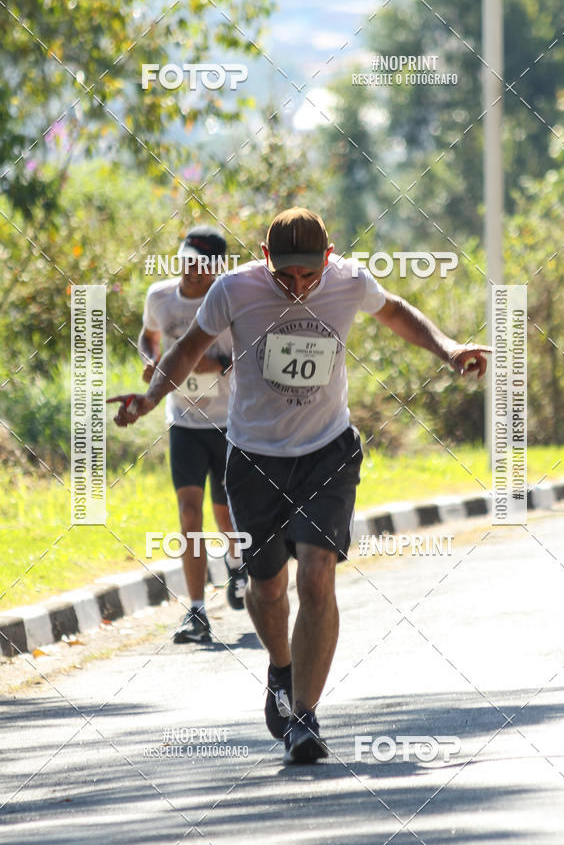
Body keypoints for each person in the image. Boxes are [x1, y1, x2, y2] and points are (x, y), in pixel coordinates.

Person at [110, 207, 490, 763]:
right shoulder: (234, 290)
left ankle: (305, 717)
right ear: (265, 257)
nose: (296, 286)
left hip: (326, 451)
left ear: (328, 259)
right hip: (254, 457)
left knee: (316, 577)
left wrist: (449, 348)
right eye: (284, 275)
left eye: (308, 275)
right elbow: (187, 348)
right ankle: (281, 670)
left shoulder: (349, 281)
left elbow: (396, 312)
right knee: (267, 589)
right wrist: (149, 400)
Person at [135, 226, 247, 644]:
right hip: (184, 421)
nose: (193, 270)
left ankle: (237, 564)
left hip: (230, 422)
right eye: (187, 260)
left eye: (203, 265)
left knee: (225, 513)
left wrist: (218, 366)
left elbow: (255, 354)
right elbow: (149, 336)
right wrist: (150, 361)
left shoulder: (231, 300)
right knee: (188, 513)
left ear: (218, 268)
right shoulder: (160, 297)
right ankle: (197, 610)